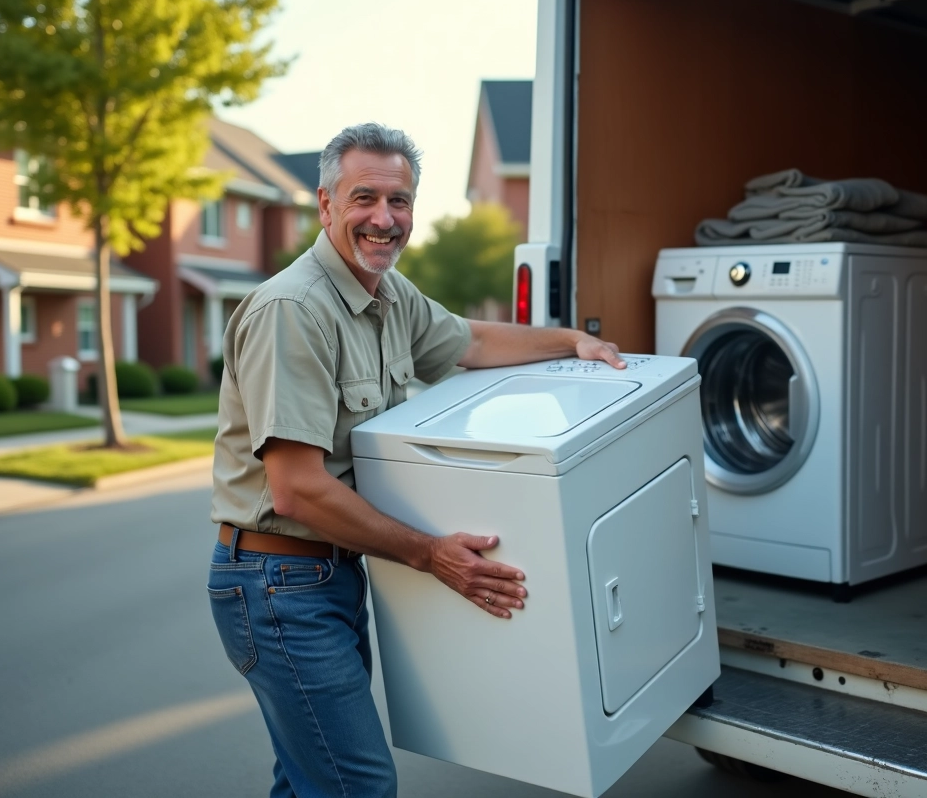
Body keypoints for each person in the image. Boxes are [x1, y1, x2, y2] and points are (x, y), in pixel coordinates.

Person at [206, 123, 625, 798]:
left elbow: (474, 341)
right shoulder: (294, 310)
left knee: (312, 779)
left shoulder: (388, 297)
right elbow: (297, 491)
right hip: (278, 585)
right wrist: (432, 554)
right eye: (364, 197)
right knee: (356, 786)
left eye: (398, 201)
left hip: (328, 579)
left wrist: (572, 341)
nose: (383, 218)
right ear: (325, 205)